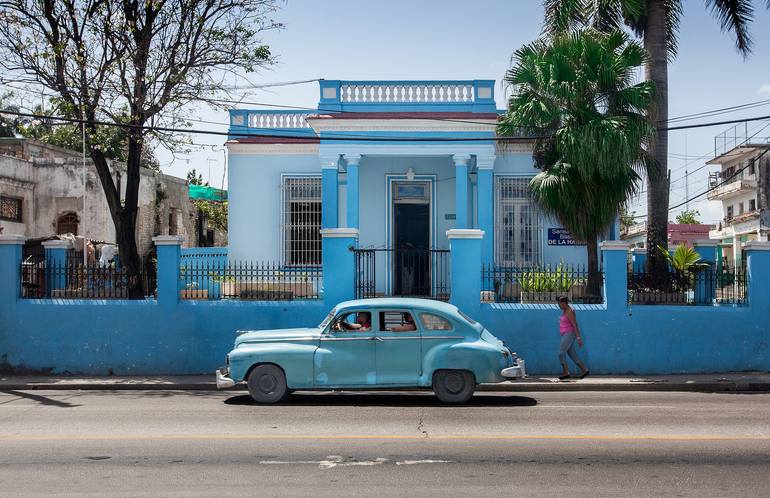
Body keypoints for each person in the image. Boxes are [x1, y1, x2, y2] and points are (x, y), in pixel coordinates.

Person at [557, 297, 589, 380]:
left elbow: (575, 324)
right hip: (566, 334)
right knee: (572, 354)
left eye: (559, 303)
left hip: (569, 334)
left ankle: (566, 373)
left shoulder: (569, 311)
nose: (559, 305)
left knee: (561, 353)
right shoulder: (565, 311)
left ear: (563, 303)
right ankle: (584, 370)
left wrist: (578, 337)